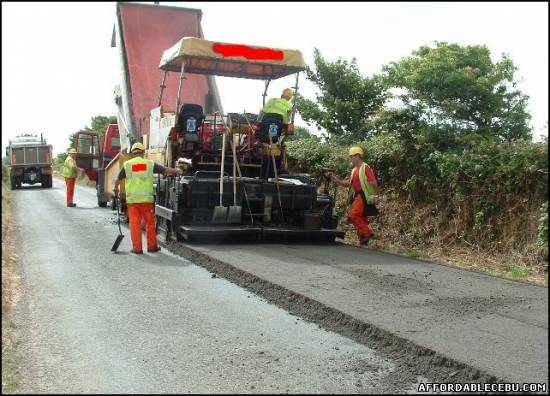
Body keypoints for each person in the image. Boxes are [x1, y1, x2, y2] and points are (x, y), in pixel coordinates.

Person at [114, 142, 183, 255]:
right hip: (147, 201)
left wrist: (115, 189)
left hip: (133, 202)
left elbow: (117, 179)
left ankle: (137, 249)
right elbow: (165, 170)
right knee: (150, 223)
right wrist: (177, 171)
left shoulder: (127, 165)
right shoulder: (149, 164)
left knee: (134, 224)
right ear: (143, 152)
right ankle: (152, 247)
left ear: (132, 153)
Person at [331, 146, 380, 246]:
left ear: (358, 156)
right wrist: (338, 181)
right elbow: (349, 183)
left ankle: (367, 233)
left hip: (364, 195)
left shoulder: (365, 167)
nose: (351, 158)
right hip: (358, 195)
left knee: (353, 215)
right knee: (362, 218)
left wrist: (376, 196)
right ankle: (363, 241)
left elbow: (374, 182)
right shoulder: (354, 170)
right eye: (350, 157)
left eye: (352, 156)